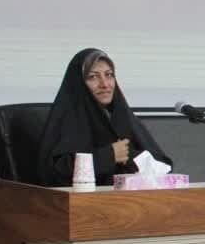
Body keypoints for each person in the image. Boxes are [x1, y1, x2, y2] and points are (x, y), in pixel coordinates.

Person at [37, 48, 173, 186]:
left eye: (109, 75)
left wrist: (131, 158)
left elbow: (163, 166)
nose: (105, 84)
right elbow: (55, 173)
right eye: (93, 77)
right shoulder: (69, 121)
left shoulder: (123, 117)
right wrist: (109, 156)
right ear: (79, 83)